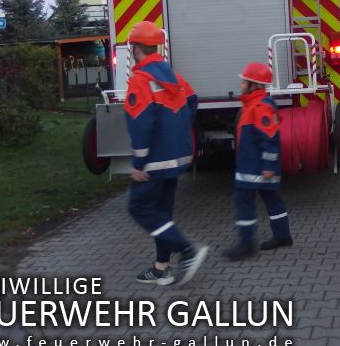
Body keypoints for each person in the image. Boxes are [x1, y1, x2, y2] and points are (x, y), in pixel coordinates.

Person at [124, 20, 207, 286]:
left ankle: (187, 250)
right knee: (161, 213)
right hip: (178, 155)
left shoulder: (140, 80)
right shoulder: (173, 76)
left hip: (154, 160)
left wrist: (139, 163)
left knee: (139, 208)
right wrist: (179, 130)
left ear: (136, 48)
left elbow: (142, 123)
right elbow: (193, 101)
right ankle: (161, 269)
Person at [223, 62, 293, 261]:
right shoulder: (254, 104)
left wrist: (269, 166)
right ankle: (282, 236)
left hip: (254, 169)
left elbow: (270, 140)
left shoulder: (259, 107)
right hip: (254, 167)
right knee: (272, 200)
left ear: (253, 84)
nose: (241, 84)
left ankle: (246, 245)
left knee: (243, 203)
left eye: (244, 81)